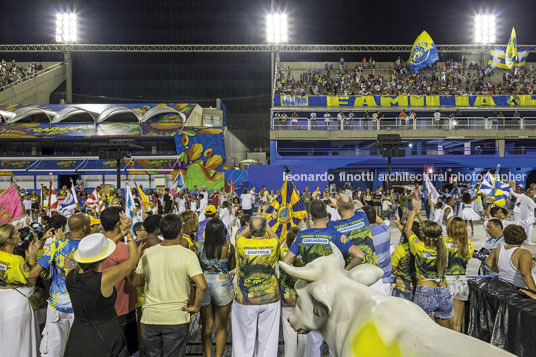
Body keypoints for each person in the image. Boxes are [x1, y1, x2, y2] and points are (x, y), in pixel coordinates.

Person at [283, 200, 364, 357]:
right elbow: (359, 255)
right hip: (335, 293)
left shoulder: (302, 236)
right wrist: (345, 271)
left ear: (310, 216)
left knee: (314, 342)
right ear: (327, 215)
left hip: (313, 292)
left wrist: (302, 275)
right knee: (336, 338)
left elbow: (287, 262)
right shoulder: (334, 235)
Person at [132, 214, 207, 357]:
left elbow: (136, 282)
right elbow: (202, 285)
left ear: (161, 231)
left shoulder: (148, 253)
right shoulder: (187, 255)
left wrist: (134, 262)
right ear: (180, 230)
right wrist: (196, 306)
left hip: (150, 317)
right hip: (176, 316)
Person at [63, 232, 143, 357]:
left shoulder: (70, 275)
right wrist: (127, 234)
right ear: (103, 258)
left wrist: (114, 239)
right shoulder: (104, 279)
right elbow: (133, 260)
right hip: (106, 336)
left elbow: (82, 262)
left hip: (78, 336)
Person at [29, 213, 91, 357]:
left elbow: (34, 273)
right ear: (85, 228)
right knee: (82, 347)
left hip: (58, 304)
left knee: (53, 348)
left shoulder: (57, 245)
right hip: (82, 304)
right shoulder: (90, 247)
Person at [232, 216, 281, 357]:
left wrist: (250, 227)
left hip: (246, 299)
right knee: (268, 344)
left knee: (244, 344)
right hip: (270, 298)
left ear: (250, 229)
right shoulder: (272, 243)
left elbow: (239, 235)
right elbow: (276, 238)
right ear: (264, 230)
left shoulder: (241, 243)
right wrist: (267, 227)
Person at [405, 199, 453, 327]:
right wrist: (421, 216)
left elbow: (408, 230)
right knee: (445, 334)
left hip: (425, 291)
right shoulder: (444, 246)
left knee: (426, 334)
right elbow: (433, 231)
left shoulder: (419, 247)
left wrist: (414, 212)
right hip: (444, 290)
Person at [98, 207, 139, 355]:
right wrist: (129, 233)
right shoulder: (123, 249)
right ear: (118, 224)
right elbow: (134, 277)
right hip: (121, 310)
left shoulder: (94, 246)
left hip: (98, 310)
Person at [0, 223, 41, 357]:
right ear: (9, 240)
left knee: (5, 339)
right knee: (21, 341)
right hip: (17, 305)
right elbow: (31, 280)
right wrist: (32, 259)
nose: (20, 235)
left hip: (2, 300)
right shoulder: (16, 260)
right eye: (17, 233)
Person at [198, 219, 235, 357]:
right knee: (221, 327)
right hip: (223, 285)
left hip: (204, 285)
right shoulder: (229, 247)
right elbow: (231, 267)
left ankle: (207, 355)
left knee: (207, 326)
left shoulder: (199, 246)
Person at [279, 226, 306, 357]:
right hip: (302, 297)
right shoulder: (306, 255)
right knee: (303, 334)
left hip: (286, 297)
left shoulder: (282, 252)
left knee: (289, 335)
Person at [327, 195, 376, 267]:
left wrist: (337, 204)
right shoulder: (362, 216)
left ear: (338, 208)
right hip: (371, 268)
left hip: (351, 271)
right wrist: (340, 204)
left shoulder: (332, 226)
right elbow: (356, 207)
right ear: (352, 206)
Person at [445, 217, 474, 333]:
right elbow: (467, 258)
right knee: (457, 321)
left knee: (445, 319)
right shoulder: (468, 244)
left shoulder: (443, 242)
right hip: (461, 282)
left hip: (446, 281)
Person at [485, 224, 536, 290]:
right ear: (523, 237)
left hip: (504, 287)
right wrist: (534, 293)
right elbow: (525, 274)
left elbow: (488, 262)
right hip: (521, 289)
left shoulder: (498, 249)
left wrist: (504, 271)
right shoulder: (523, 253)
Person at [363, 205, 392, 294]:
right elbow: (381, 222)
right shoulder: (385, 229)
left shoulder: (362, 235)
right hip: (385, 280)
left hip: (369, 281)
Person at [391, 216, 416, 301]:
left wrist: (399, 273)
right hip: (418, 288)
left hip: (402, 289)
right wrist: (399, 224)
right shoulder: (422, 248)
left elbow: (392, 268)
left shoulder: (400, 249)